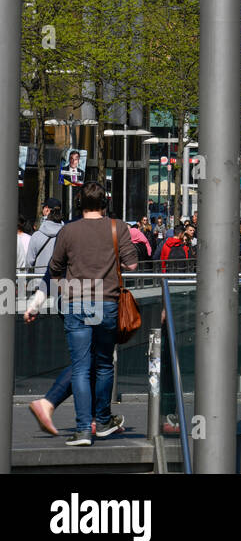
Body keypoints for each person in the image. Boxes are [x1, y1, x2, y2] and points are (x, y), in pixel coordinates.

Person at [34, 182, 137, 445]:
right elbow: (132, 264)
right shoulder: (119, 227)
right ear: (105, 203)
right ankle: (102, 421)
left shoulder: (68, 231)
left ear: (80, 203)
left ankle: (82, 430)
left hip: (75, 303)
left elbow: (55, 268)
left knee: (80, 367)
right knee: (103, 365)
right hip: (107, 303)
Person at [24, 199, 64, 283]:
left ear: (46, 209)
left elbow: (29, 262)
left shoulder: (36, 235)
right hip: (60, 283)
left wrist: (27, 280)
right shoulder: (66, 234)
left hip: (39, 282)